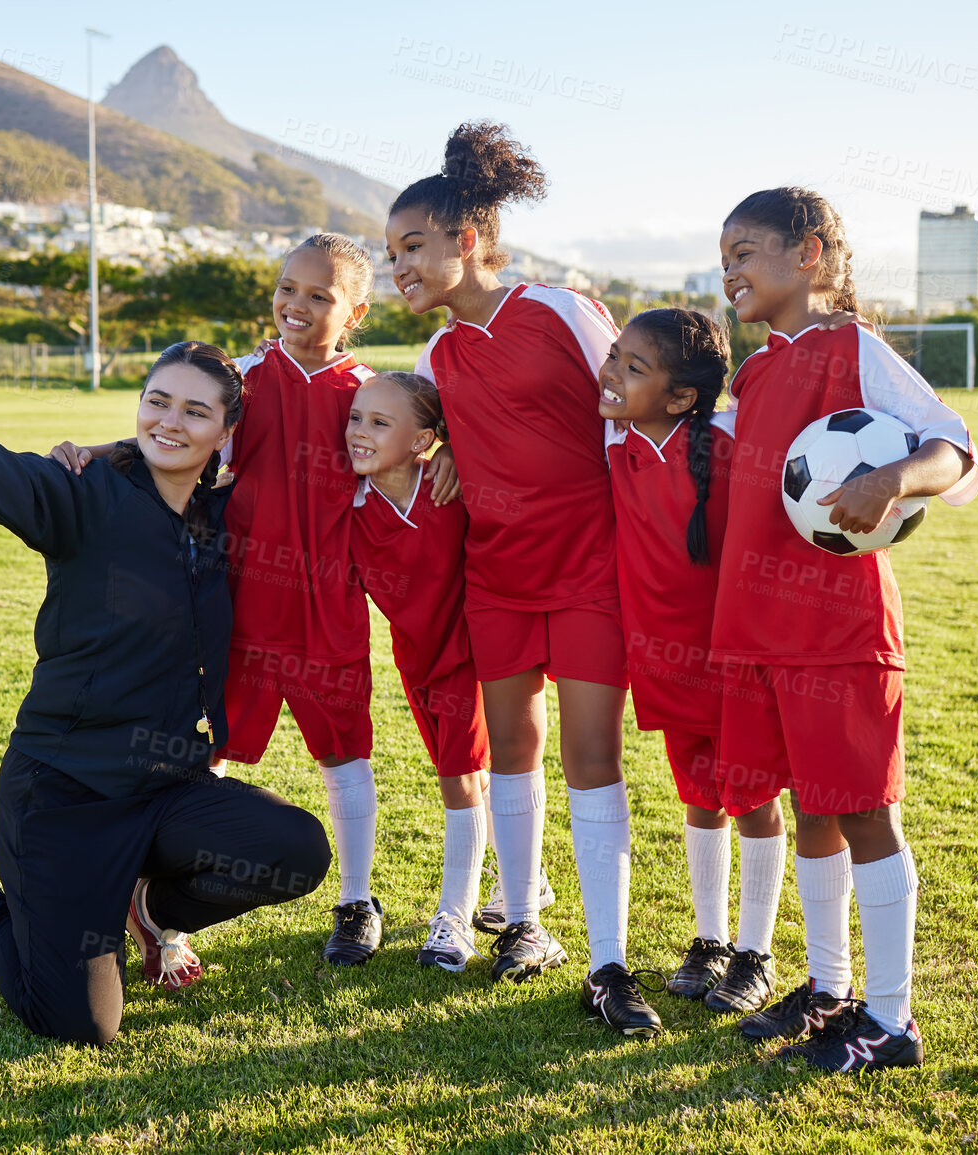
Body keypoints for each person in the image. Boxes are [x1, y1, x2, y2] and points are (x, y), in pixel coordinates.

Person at [0, 336, 331, 1047]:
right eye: (156, 401)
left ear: (225, 429)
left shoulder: (228, 518)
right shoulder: (79, 492)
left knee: (293, 848)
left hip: (166, 788)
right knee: (79, 1023)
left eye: (194, 410)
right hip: (63, 796)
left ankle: (150, 908)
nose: (170, 422)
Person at [388, 120, 662, 1036]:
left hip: (589, 571)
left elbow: (631, 407)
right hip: (496, 579)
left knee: (593, 759)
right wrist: (452, 448)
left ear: (467, 241)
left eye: (414, 246)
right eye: (391, 253)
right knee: (512, 751)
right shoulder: (435, 358)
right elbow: (415, 427)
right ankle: (526, 925)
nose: (401, 266)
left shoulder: (561, 309)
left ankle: (610, 963)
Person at [50, 235, 391, 967]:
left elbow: (418, 442)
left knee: (345, 755)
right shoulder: (243, 378)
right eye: (286, 288)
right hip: (235, 605)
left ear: (355, 310)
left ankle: (357, 900)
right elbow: (172, 434)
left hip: (328, 606)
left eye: (318, 295)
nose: (295, 305)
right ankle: (163, 913)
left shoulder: (366, 392)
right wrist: (95, 453)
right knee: (206, 756)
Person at [712, 187, 978, 1071]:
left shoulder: (851, 349)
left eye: (745, 252)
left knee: (864, 812)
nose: (730, 272)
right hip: (760, 628)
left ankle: (892, 1020)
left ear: (811, 254)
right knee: (811, 808)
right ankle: (829, 990)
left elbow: (954, 445)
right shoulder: (753, 371)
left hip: (837, 630)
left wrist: (894, 476)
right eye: (724, 258)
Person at [599, 309, 788, 1017]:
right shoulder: (616, 442)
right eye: (613, 356)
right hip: (662, 657)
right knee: (699, 793)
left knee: (752, 798)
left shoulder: (730, 442)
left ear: (680, 397)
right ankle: (708, 939)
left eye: (633, 367)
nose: (612, 372)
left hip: (735, 656)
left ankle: (754, 950)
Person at [344, 371, 492, 971]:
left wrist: (456, 448)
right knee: (468, 777)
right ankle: (525, 879)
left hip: (472, 655)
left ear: (422, 439)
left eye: (380, 423)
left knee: (461, 780)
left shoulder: (450, 483)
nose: (359, 432)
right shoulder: (349, 502)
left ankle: (454, 917)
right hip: (416, 658)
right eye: (356, 417)